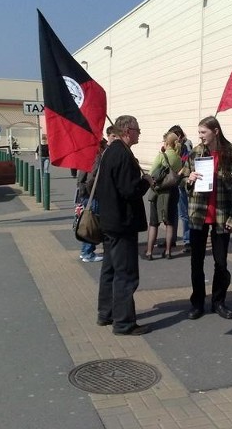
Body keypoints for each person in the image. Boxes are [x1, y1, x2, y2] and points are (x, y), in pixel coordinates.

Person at [95, 115, 154, 336]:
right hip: (122, 223)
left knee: (109, 270)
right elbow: (129, 190)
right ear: (128, 130)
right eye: (138, 130)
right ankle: (123, 322)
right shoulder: (121, 153)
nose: (140, 133)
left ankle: (106, 313)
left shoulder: (111, 151)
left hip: (110, 221)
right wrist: (145, 182)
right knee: (126, 274)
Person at [184, 116, 232, 321]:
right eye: (199, 133)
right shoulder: (195, 153)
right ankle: (197, 303)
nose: (200, 137)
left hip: (221, 215)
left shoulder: (231, 153)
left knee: (221, 263)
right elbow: (183, 177)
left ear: (215, 131)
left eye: (203, 133)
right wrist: (188, 179)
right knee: (196, 262)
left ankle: (219, 302)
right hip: (198, 214)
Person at [75, 126, 116, 263]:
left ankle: (86, 250)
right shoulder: (97, 154)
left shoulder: (89, 152)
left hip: (86, 193)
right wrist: (95, 190)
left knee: (88, 220)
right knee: (91, 222)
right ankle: (87, 252)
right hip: (92, 194)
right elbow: (93, 177)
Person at [144, 132, 182, 260]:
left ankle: (149, 252)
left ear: (166, 143)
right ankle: (168, 251)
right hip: (172, 191)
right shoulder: (178, 157)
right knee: (169, 222)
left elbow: (151, 172)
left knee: (154, 223)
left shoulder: (162, 155)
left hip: (159, 192)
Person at [168, 125, 194, 253]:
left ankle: (188, 240)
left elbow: (187, 164)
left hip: (182, 182)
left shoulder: (186, 146)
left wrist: (180, 171)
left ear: (178, 136)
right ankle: (171, 239)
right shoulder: (173, 146)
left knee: (184, 213)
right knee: (172, 212)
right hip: (173, 182)